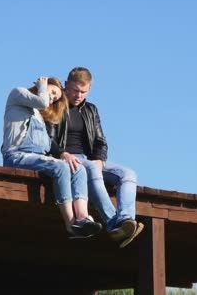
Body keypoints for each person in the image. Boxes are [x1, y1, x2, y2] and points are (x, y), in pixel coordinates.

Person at [47, 67, 143, 248]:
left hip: (89, 158)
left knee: (128, 174)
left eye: (83, 91)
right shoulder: (55, 105)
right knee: (91, 168)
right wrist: (62, 153)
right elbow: (48, 139)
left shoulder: (91, 110)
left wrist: (100, 158)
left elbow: (100, 140)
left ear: (89, 89)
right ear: (66, 86)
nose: (78, 95)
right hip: (66, 158)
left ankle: (125, 220)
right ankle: (113, 224)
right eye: (75, 90)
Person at [1, 76, 102, 238]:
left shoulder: (38, 116)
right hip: (16, 155)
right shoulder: (17, 93)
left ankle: (83, 217)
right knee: (61, 167)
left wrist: (64, 153)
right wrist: (42, 86)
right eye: (53, 92)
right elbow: (42, 102)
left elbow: (48, 143)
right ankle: (71, 224)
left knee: (77, 167)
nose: (52, 98)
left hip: (38, 158)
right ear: (45, 85)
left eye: (55, 98)